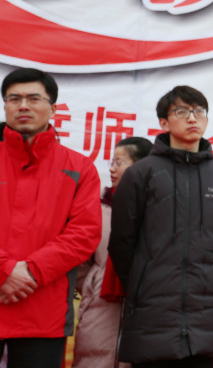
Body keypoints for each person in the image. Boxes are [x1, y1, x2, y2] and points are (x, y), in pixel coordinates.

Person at [108, 85, 213, 368]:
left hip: (203, 311)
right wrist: (144, 279)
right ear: (164, 123)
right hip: (152, 310)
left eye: (199, 111)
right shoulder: (141, 173)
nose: (192, 118)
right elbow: (121, 244)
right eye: (182, 111)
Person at [0, 68, 102, 368]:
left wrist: (30, 271)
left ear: (54, 108)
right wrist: (5, 270)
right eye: (14, 99)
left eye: (34, 98)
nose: (23, 106)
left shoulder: (79, 167)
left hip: (43, 309)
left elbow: (84, 234)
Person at [72, 137, 152, 368]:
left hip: (145, 305)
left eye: (120, 162)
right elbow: (80, 258)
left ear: (141, 167)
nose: (112, 169)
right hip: (100, 304)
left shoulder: (158, 208)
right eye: (112, 162)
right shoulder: (98, 207)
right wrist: (94, 283)